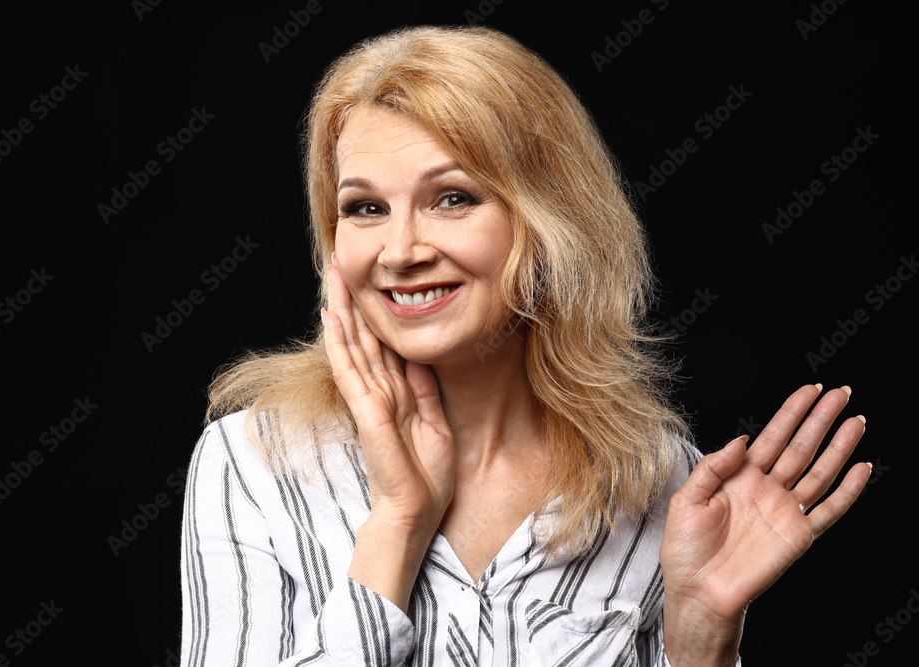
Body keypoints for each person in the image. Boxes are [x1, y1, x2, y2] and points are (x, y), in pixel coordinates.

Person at [180, 25, 870, 666]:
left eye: (452, 198)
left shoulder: (665, 482)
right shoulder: (252, 462)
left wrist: (703, 637)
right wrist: (396, 525)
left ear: (550, 222)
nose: (400, 251)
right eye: (364, 207)